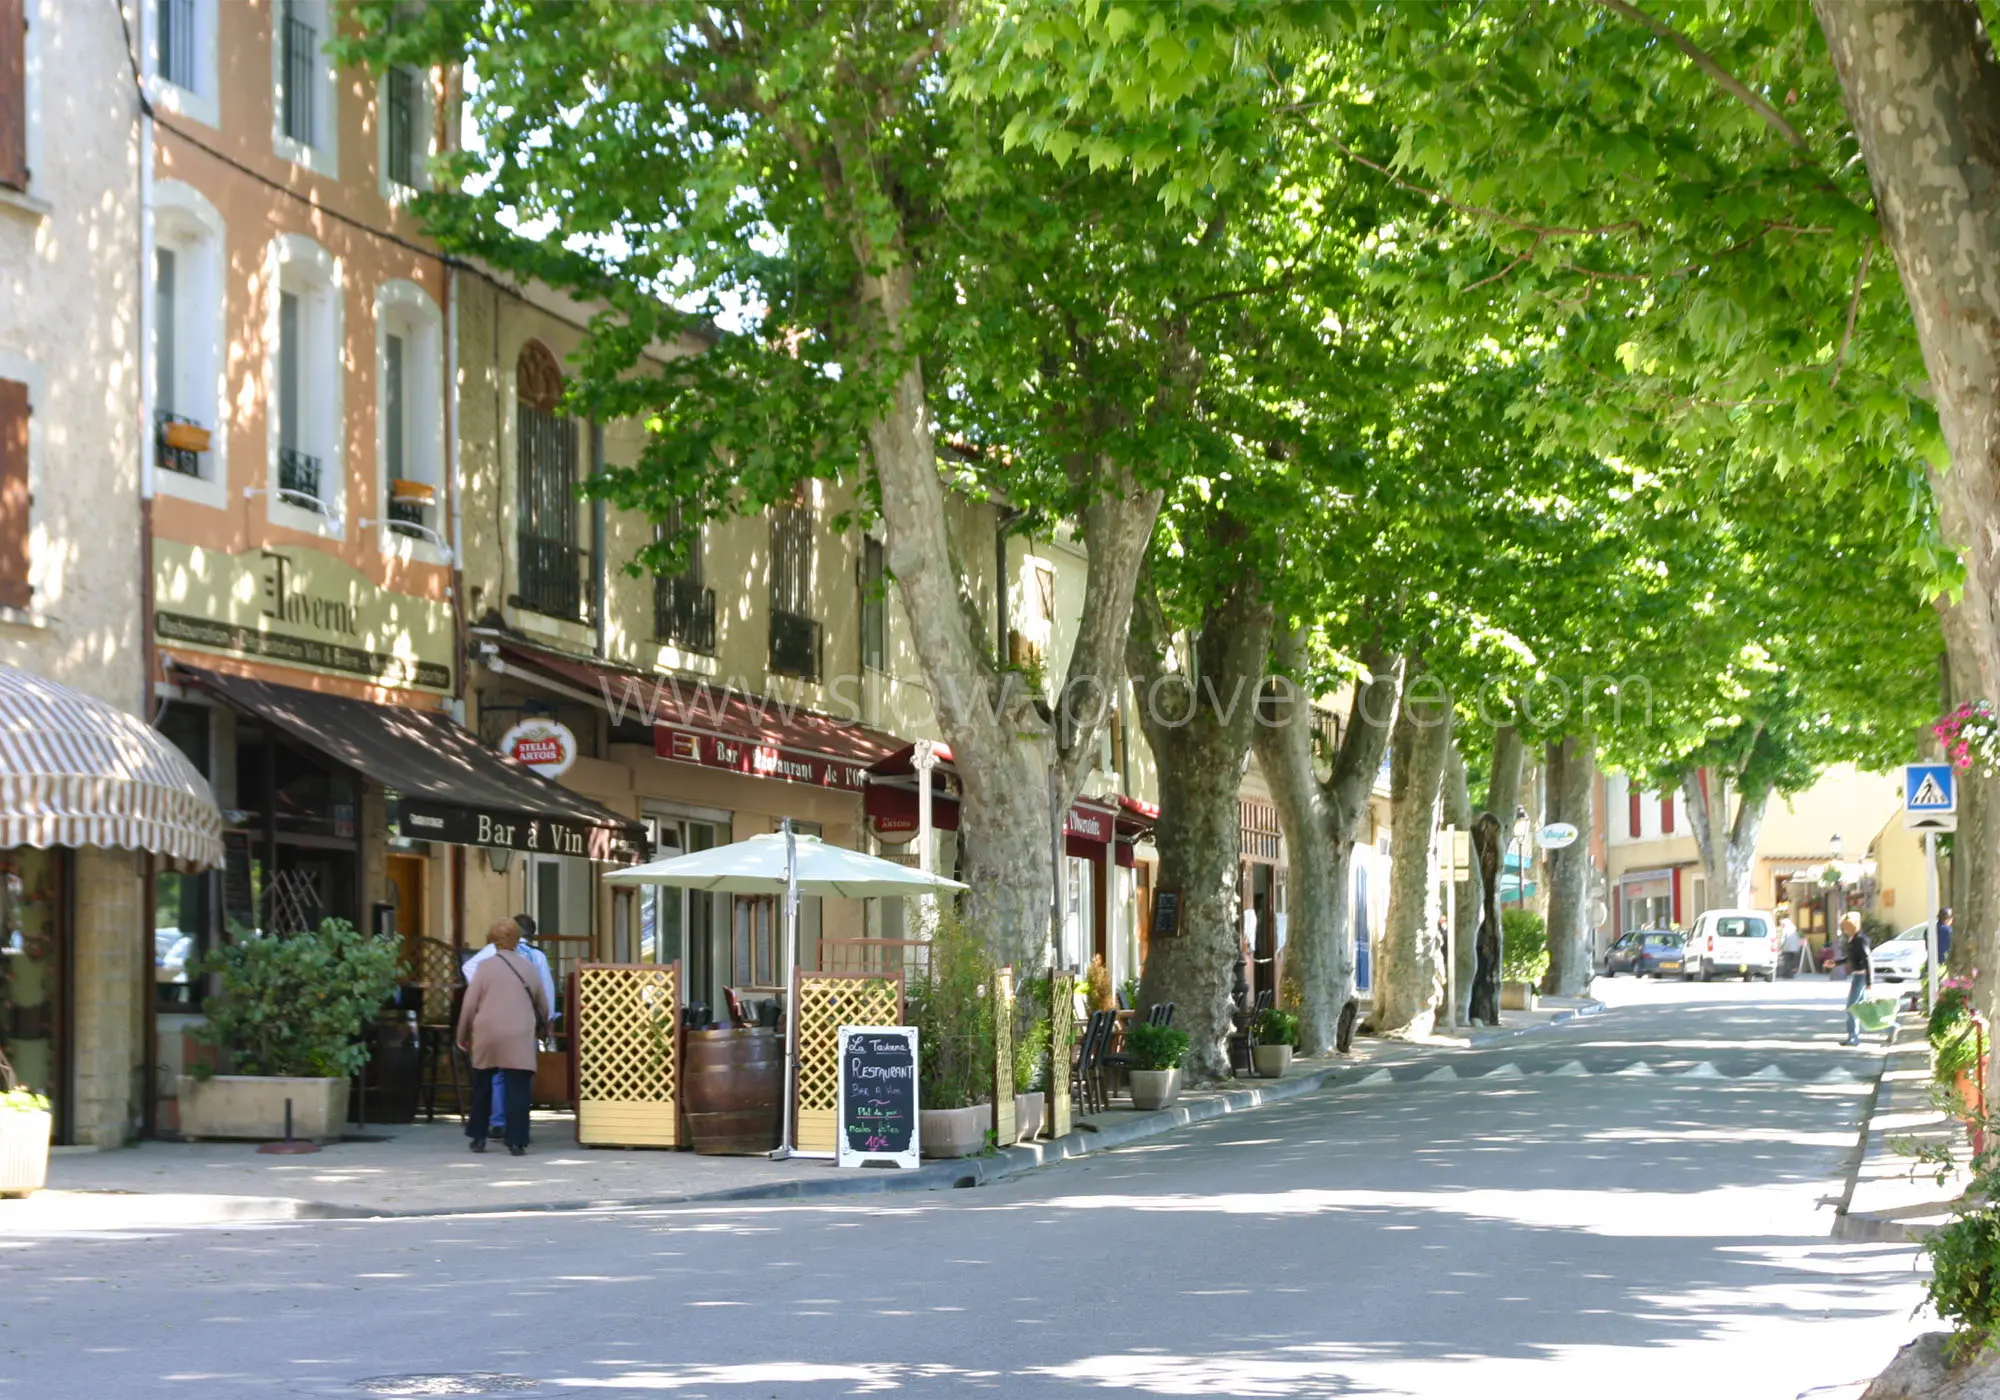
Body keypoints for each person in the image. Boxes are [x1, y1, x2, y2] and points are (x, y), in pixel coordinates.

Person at [457, 918, 549, 1156]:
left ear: (492, 940)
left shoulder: (484, 967)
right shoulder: (529, 967)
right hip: (519, 1033)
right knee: (518, 1087)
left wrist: (462, 1033)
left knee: (482, 1085)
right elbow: (543, 1005)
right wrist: (545, 1029)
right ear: (517, 940)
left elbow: (469, 1004)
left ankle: (478, 1137)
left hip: (487, 1033)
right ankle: (517, 1141)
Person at [1838, 911, 1872, 1047]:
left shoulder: (1860, 940)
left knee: (1851, 1007)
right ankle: (1892, 1027)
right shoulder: (1854, 939)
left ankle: (1853, 1037)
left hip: (1861, 976)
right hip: (1858, 975)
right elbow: (1851, 957)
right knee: (1862, 1009)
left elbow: (1868, 959)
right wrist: (1836, 963)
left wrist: (1869, 981)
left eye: (1846, 926)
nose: (1844, 929)